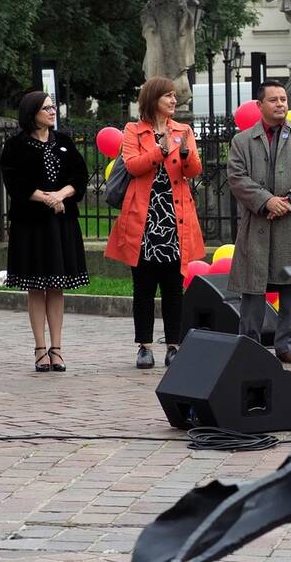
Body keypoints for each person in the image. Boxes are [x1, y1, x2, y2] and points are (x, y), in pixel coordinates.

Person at [105, 77, 205, 369]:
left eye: (174, 96)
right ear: (153, 100)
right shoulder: (134, 130)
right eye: (168, 97)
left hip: (175, 218)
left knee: (174, 287)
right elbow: (134, 165)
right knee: (144, 288)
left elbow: (194, 170)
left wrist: (186, 155)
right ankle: (144, 346)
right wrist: (159, 151)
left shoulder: (183, 130)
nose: (174, 101)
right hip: (144, 219)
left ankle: (174, 345)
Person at [228, 80, 291, 364]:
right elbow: (236, 178)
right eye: (274, 100)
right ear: (260, 106)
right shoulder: (242, 141)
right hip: (257, 223)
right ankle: (249, 343)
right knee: (253, 287)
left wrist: (289, 201)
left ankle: (286, 346)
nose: (281, 104)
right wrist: (266, 201)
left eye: (283, 99)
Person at [0, 91, 89, 372]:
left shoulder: (63, 142)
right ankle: (40, 347)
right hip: (31, 224)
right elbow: (15, 183)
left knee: (57, 285)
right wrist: (47, 198)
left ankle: (57, 348)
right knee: (36, 286)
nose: (52, 112)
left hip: (61, 223)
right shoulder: (15, 146)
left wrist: (62, 194)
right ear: (32, 112)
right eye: (46, 108)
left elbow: (80, 176)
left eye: (53, 107)